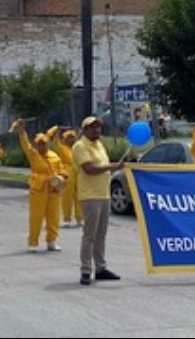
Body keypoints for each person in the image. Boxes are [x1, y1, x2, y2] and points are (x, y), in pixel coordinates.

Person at [73, 115, 124, 286]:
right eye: (92, 127)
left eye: (98, 127)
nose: (96, 130)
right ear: (84, 130)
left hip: (104, 194)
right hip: (90, 196)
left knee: (101, 234)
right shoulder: (80, 146)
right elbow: (90, 169)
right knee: (90, 235)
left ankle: (101, 268)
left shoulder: (99, 145)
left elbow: (102, 166)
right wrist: (113, 166)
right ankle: (86, 270)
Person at [14, 120, 66, 252]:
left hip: (53, 189)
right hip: (38, 189)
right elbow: (25, 145)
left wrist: (61, 177)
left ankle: (51, 241)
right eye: (39, 144)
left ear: (48, 144)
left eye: (44, 144)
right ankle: (33, 242)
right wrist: (22, 133)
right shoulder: (33, 154)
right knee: (36, 217)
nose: (42, 147)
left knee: (53, 217)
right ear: (36, 145)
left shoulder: (54, 156)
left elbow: (63, 171)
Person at [50, 127, 83, 228]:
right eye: (69, 138)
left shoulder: (77, 148)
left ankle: (79, 218)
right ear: (65, 139)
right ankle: (67, 219)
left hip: (78, 172)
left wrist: (80, 134)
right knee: (67, 197)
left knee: (79, 196)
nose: (71, 140)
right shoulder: (62, 148)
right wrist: (57, 132)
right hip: (67, 173)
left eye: (72, 138)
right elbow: (55, 143)